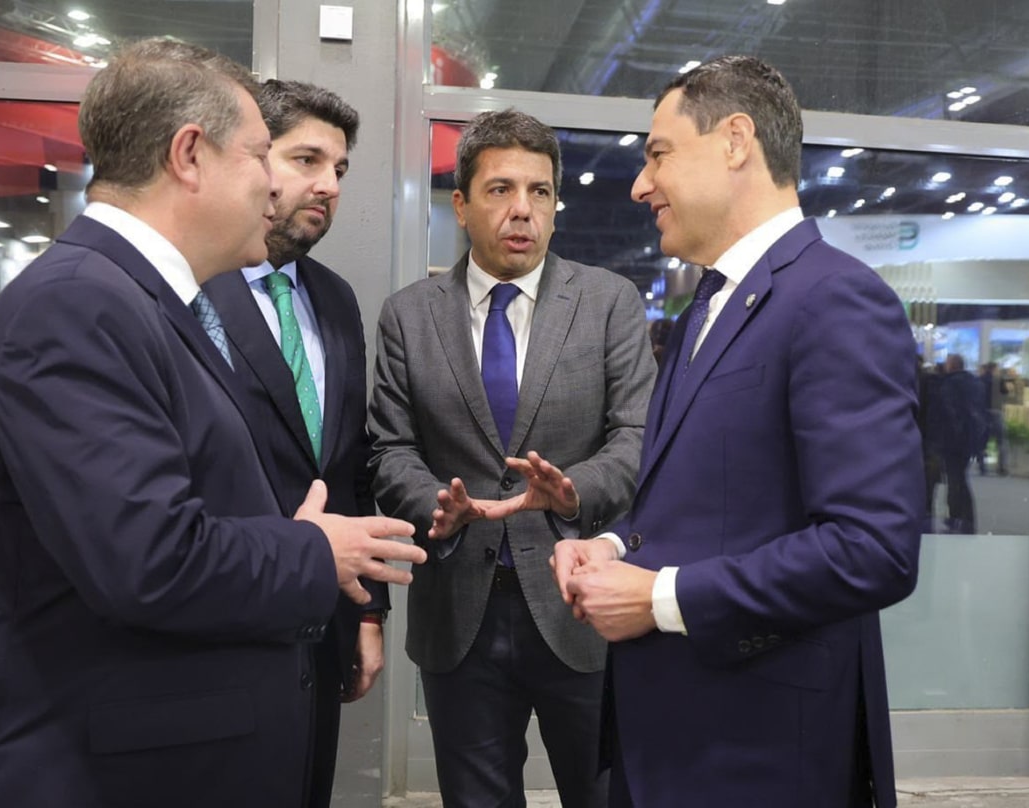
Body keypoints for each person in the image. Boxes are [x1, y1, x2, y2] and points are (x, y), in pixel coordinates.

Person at [0, 39, 425, 808]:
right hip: (87, 769)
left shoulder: (144, 302)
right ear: (189, 155)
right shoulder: (80, 307)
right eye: (260, 156)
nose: (275, 189)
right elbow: (150, 559)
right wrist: (312, 549)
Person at [553, 56, 923, 807]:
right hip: (674, 740)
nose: (640, 184)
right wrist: (619, 545)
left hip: (759, 753)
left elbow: (873, 548)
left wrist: (660, 597)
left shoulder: (836, 300)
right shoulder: (704, 312)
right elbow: (708, 496)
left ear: (734, 141)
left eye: (657, 155)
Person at [369, 109, 655, 808]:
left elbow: (636, 439)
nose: (521, 210)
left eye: (539, 191)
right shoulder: (409, 314)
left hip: (580, 605)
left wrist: (573, 491)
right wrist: (435, 504)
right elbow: (389, 447)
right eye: (499, 190)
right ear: (461, 205)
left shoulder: (609, 302)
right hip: (459, 614)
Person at [201, 79, 382, 807]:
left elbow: (345, 467)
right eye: (307, 159)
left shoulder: (334, 298)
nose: (328, 185)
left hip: (321, 623)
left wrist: (364, 613)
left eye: (339, 169)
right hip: (219, 628)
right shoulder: (188, 292)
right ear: (247, 156)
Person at [931, 353, 983, 533]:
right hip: (969, 440)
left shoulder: (949, 384)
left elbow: (948, 414)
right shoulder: (975, 383)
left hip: (952, 441)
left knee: (955, 480)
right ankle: (965, 518)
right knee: (960, 478)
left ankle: (957, 518)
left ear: (952, 365)